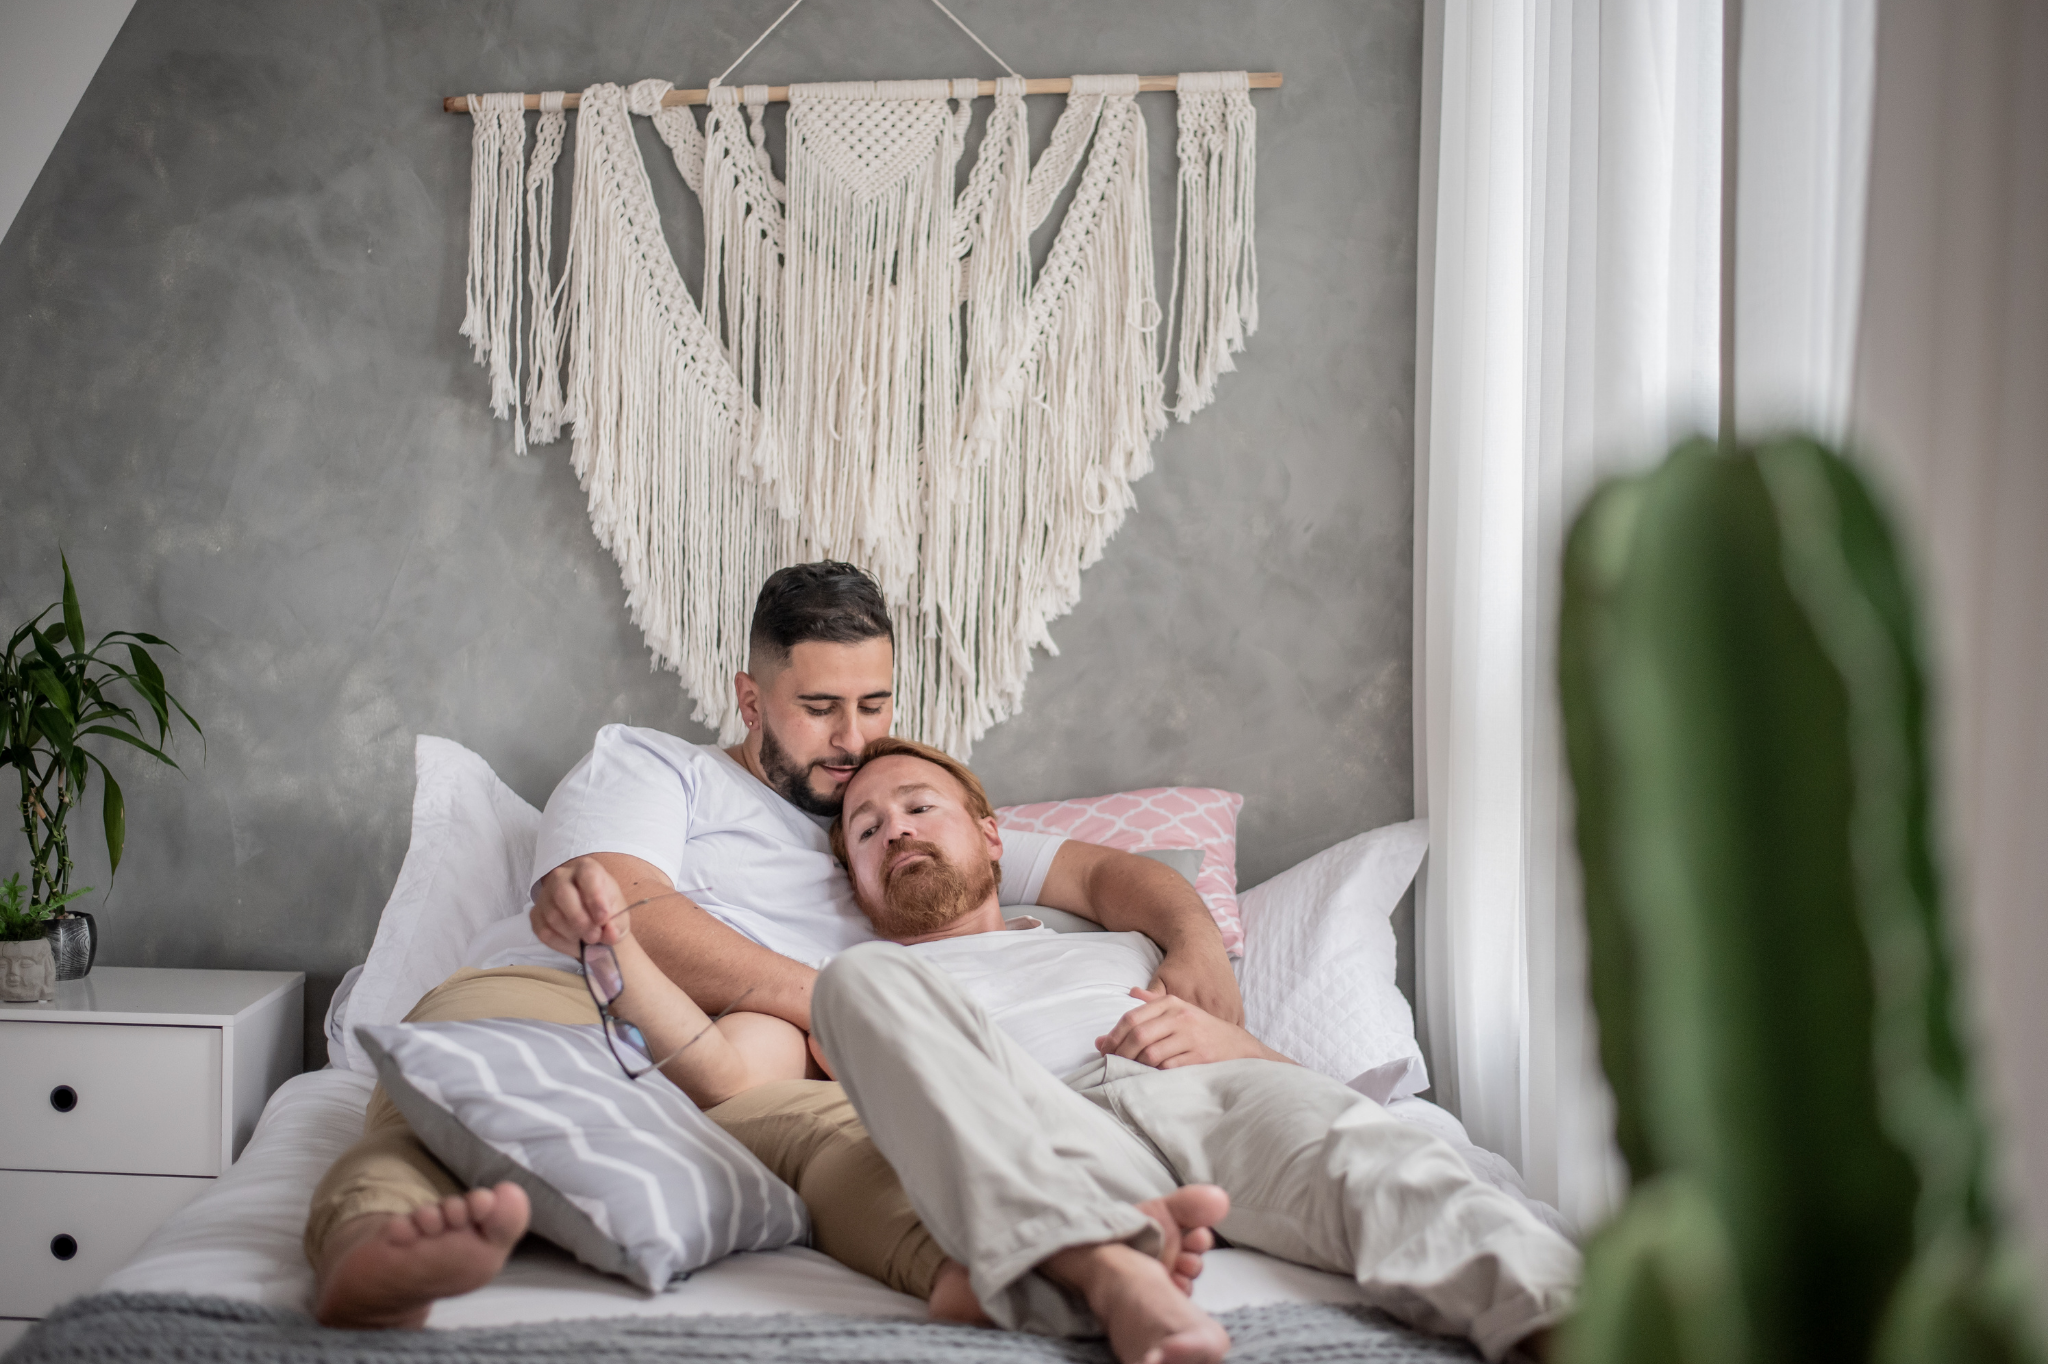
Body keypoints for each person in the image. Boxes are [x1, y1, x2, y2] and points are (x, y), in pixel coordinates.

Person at [307, 562, 1240, 1329]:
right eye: (821, 707)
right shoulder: (655, 766)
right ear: (751, 699)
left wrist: (1197, 944)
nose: (853, 738)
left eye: (875, 704)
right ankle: (374, 1252)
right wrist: (843, 1008)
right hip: (566, 994)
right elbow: (631, 908)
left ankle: (1025, 1276)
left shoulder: (885, 823)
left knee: (852, 1156)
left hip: (747, 1073)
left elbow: (1106, 875)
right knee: (450, 1099)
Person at [805, 736, 1583, 1364]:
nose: (897, 829)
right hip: (1047, 1125)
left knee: (1381, 1164)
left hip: (1205, 1087)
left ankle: (1573, 1328)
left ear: (991, 836)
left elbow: (1322, 1099)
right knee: (852, 982)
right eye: (868, 831)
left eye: (918, 807)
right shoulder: (887, 982)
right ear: (859, 885)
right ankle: (1112, 1270)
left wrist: (1237, 1044)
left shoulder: (1118, 937)